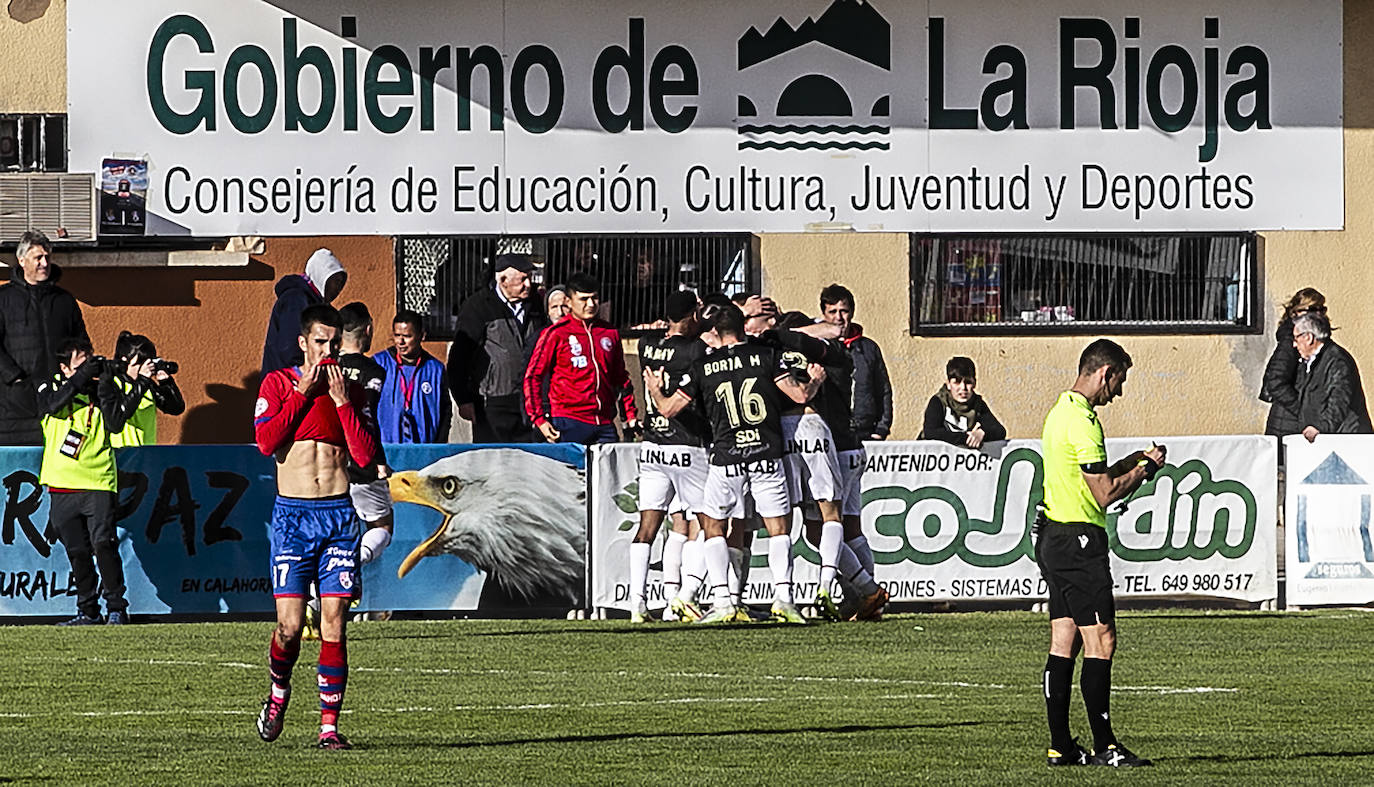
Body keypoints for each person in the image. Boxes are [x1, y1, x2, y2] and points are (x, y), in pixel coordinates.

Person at [252, 304, 378, 750]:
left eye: (334, 342)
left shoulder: (351, 390)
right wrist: (303, 392)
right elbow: (267, 442)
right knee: (288, 627)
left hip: (338, 516)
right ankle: (277, 695)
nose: (328, 350)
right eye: (320, 342)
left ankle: (328, 728)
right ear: (304, 343)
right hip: (292, 517)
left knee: (335, 622)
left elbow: (363, 457)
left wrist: (343, 403)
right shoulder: (278, 384)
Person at [644, 303, 818, 624]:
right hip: (766, 452)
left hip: (726, 457)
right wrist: (815, 382)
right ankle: (784, 599)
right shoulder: (766, 356)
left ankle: (723, 600)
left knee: (713, 526)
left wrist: (656, 391)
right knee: (778, 528)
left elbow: (669, 410)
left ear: (715, 333)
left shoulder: (702, 366)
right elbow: (799, 396)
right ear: (742, 328)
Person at [1037, 339, 1165, 768]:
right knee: (1102, 639)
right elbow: (1104, 492)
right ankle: (1106, 746)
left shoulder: (1058, 413)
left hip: (1054, 537)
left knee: (1064, 639)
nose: (1119, 392)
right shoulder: (1085, 423)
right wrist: (1145, 471)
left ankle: (1061, 746)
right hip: (1080, 542)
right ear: (1104, 373)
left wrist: (1135, 460)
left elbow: (1091, 475)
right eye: (1120, 380)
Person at [38, 337, 145, 625]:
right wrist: (80, 379)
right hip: (61, 484)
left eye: (90, 361)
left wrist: (103, 382)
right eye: (81, 364)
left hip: (98, 482)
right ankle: (87, 610)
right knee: (77, 551)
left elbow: (115, 424)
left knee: (103, 544)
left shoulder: (102, 390)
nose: (88, 368)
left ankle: (116, 607)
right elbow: (49, 405)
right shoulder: (51, 386)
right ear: (65, 368)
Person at [628, 291, 709, 623]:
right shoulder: (696, 350)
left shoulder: (647, 344)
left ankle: (637, 603)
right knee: (708, 523)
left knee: (648, 525)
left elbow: (654, 336)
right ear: (690, 316)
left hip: (653, 444)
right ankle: (685, 597)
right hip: (687, 443)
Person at [524, 272, 638, 445]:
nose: (591, 304)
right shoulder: (556, 334)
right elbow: (533, 376)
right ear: (569, 302)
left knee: (607, 471)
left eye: (595, 298)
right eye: (584, 299)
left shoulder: (610, 333)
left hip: (604, 422)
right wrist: (539, 420)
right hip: (568, 421)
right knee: (569, 472)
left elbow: (621, 378)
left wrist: (630, 415)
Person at [0, 230, 89, 445]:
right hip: (15, 403)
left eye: (47, 257)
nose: (44, 263)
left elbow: (81, 343)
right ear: (21, 261)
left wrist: (75, 373)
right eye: (38, 257)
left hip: (60, 397)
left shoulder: (64, 300)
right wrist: (15, 377)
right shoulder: (3, 299)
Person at [449, 254, 550, 443]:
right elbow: (459, 357)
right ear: (503, 280)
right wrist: (463, 399)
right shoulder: (477, 307)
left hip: (529, 400)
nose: (529, 284)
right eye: (523, 279)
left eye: (530, 278)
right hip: (492, 402)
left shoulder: (536, 304)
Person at [336, 303, 393, 572]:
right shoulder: (375, 371)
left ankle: (316, 590)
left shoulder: (327, 368)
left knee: (333, 529)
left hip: (328, 460)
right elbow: (368, 418)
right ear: (368, 330)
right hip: (361, 458)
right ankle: (352, 563)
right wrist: (379, 459)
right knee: (383, 525)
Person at [820, 284, 893, 442]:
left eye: (843, 311)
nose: (838, 317)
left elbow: (883, 390)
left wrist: (881, 429)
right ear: (824, 315)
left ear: (851, 313)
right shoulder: (818, 348)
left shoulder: (869, 348)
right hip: (831, 434)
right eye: (832, 312)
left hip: (866, 434)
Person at [261, 248, 346, 374]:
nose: (338, 288)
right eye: (335, 281)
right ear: (322, 276)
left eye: (341, 283)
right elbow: (290, 347)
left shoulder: (315, 302)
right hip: (287, 382)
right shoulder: (296, 299)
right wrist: (303, 375)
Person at [1292, 311, 1372, 441]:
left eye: (1296, 338)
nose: (1294, 345)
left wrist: (1320, 427)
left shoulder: (1337, 360)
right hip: (1324, 437)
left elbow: (1339, 399)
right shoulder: (1310, 361)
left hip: (1346, 439)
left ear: (1309, 337)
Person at [374, 310, 451, 444]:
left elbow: (445, 411)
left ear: (421, 336)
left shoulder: (435, 369)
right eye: (397, 335)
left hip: (424, 449)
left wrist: (438, 446)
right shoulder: (379, 364)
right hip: (387, 450)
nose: (400, 341)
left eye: (407, 336)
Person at [1261, 288, 1326, 437]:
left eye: (1322, 309)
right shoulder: (1290, 342)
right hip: (1288, 425)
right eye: (1313, 309)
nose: (1319, 314)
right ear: (1296, 312)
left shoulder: (1315, 339)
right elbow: (1275, 381)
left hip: (1296, 423)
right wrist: (1303, 410)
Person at [109, 331, 185, 447]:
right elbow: (120, 415)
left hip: (146, 454)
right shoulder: (112, 383)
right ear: (125, 361)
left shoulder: (148, 385)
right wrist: (142, 380)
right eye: (139, 364)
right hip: (119, 455)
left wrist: (166, 382)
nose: (144, 369)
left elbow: (176, 408)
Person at [919, 356, 1007, 448]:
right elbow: (931, 432)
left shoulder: (977, 404)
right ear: (948, 384)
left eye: (968, 382)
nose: (963, 388)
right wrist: (966, 438)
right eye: (957, 382)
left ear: (974, 383)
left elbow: (999, 430)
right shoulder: (938, 401)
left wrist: (982, 433)